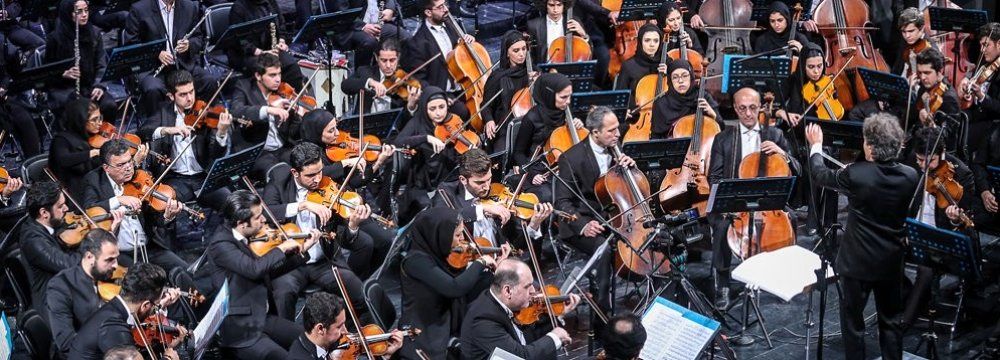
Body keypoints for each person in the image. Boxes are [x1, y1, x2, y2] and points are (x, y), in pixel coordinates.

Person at [804, 113, 918, 360]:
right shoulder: (910, 176)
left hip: (857, 263)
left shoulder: (856, 174)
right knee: (891, 322)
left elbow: (820, 174)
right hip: (890, 261)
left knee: (853, 323)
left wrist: (816, 145)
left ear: (870, 146)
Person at [263, 142, 377, 320]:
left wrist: (353, 226)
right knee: (283, 296)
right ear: (295, 173)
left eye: (320, 172)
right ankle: (289, 342)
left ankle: (354, 339)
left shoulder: (328, 186)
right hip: (292, 263)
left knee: (359, 294)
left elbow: (345, 239)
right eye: (310, 175)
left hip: (324, 262)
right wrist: (303, 205)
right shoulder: (278, 185)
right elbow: (266, 212)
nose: (317, 179)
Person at [707, 87, 798, 309]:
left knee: (792, 218)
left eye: (753, 108)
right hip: (736, 203)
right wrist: (730, 199)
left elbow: (798, 170)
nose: (748, 113)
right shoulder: (723, 138)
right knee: (721, 227)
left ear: (760, 108)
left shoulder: (775, 135)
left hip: (768, 202)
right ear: (735, 109)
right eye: (742, 108)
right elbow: (715, 177)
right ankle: (723, 283)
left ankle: (779, 275)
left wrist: (782, 154)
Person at [206, 190, 319, 359]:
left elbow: (267, 272)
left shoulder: (245, 236)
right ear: (242, 223)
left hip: (262, 315)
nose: (264, 220)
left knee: (310, 342)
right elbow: (254, 269)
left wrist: (302, 251)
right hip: (241, 328)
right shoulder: (221, 244)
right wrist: (280, 248)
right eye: (258, 217)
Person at [554, 106, 635, 317]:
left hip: (613, 217)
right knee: (604, 249)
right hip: (581, 223)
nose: (617, 134)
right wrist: (583, 225)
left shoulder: (617, 148)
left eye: (618, 128)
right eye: (611, 131)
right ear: (595, 132)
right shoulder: (571, 158)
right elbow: (562, 202)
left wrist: (632, 169)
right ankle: (602, 304)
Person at [397, 207, 505, 359]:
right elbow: (454, 288)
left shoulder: (436, 252)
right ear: (440, 235)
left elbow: (462, 280)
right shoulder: (416, 261)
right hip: (425, 330)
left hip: (445, 315)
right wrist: (480, 262)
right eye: (458, 235)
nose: (462, 239)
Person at [81, 140, 190, 278]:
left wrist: (167, 216)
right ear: (106, 168)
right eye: (121, 165)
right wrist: (118, 200)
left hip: (148, 247)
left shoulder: (139, 177)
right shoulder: (93, 180)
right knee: (147, 284)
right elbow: (89, 210)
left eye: (129, 161)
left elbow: (153, 218)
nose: (128, 168)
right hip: (120, 254)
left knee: (185, 272)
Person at [137, 70, 232, 212]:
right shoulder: (164, 112)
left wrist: (222, 132)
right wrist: (168, 130)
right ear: (171, 96)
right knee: (162, 206)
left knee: (232, 204)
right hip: (175, 179)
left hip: (204, 177)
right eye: (183, 94)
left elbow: (216, 153)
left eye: (191, 92)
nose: (189, 99)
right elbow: (143, 131)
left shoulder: (205, 112)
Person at [432, 148, 553, 251]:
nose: (486, 187)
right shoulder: (446, 192)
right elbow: (442, 220)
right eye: (479, 182)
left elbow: (517, 248)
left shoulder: (498, 193)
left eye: (488, 179)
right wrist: (482, 209)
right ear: (463, 179)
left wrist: (533, 225)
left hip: (500, 264)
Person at [459, 258, 580, 360]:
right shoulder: (483, 321)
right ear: (507, 291)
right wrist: (554, 338)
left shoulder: (499, 300)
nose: (533, 291)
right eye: (527, 286)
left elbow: (528, 335)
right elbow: (520, 356)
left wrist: (559, 313)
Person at [67, 262, 187, 360]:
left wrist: (168, 347)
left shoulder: (114, 309)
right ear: (145, 305)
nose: (155, 310)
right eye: (155, 305)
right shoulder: (114, 328)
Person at [123, 0, 217, 117]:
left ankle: (195, 122)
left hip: (182, 64)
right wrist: (156, 53)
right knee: (153, 89)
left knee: (209, 81)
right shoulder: (139, 9)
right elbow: (131, 46)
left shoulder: (190, 6)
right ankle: (159, 129)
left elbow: (198, 38)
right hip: (152, 68)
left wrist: (189, 45)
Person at [392, 86, 463, 223]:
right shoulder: (417, 123)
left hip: (451, 179)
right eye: (432, 109)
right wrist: (426, 138)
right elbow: (398, 142)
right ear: (425, 108)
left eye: (442, 107)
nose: (438, 113)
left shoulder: (453, 122)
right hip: (423, 184)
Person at [47, 229, 121, 359]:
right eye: (109, 260)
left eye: (116, 259)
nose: (116, 265)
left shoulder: (107, 276)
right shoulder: (61, 286)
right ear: (89, 257)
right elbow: (66, 342)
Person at [230, 53, 304, 181]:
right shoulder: (244, 87)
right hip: (259, 153)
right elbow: (236, 110)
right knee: (281, 174)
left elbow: (292, 133)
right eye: (272, 75)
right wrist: (268, 109)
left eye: (279, 74)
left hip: (282, 148)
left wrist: (297, 116)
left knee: (304, 165)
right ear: (258, 76)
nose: (278, 79)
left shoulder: (282, 93)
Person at [512, 73, 582, 204]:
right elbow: (518, 153)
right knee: (550, 196)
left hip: (563, 167)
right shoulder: (532, 118)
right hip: (538, 169)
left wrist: (578, 124)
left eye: (570, 96)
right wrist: (532, 174)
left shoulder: (566, 111)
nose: (568, 101)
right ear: (549, 95)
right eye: (563, 97)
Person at [400, 0, 476, 120]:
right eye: (440, 7)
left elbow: (461, 54)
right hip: (443, 93)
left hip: (465, 86)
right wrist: (439, 96)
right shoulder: (418, 43)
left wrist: (468, 41)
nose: (446, 9)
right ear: (428, 12)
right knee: (463, 111)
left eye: (445, 4)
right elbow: (420, 80)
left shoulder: (452, 26)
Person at [45, 0, 116, 119]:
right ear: (68, 13)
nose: (84, 15)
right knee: (82, 111)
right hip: (64, 89)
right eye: (79, 11)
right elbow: (46, 73)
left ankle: (105, 137)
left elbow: (101, 65)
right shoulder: (54, 38)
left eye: (86, 10)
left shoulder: (94, 33)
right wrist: (63, 74)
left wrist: (99, 86)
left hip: (90, 86)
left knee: (109, 105)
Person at [287, 291, 404, 360]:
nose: (345, 332)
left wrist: (386, 355)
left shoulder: (323, 341)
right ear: (320, 328)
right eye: (339, 326)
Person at [20, 181, 78, 313]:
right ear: (44, 213)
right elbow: (69, 264)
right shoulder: (33, 241)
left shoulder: (51, 223)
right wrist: (95, 247)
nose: (66, 209)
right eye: (61, 206)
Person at [226, 0, 305, 90]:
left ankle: (296, 99)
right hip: (246, 54)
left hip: (269, 49)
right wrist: (261, 52)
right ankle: (268, 100)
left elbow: (281, 24)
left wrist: (281, 41)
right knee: (268, 68)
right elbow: (240, 41)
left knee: (291, 65)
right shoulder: (238, 8)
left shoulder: (271, 2)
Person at [480, 30, 536, 154]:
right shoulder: (498, 76)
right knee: (501, 154)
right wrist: (489, 120)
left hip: (531, 126)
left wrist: (538, 83)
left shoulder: (533, 72)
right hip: (505, 128)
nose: (521, 54)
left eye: (523, 49)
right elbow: (485, 105)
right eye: (516, 51)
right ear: (507, 53)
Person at [341, 38, 420, 119]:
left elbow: (407, 119)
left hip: (394, 128)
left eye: (392, 60)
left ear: (398, 58)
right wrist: (370, 82)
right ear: (376, 57)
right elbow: (345, 85)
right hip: (366, 127)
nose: (388, 65)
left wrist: (411, 106)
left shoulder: (406, 79)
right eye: (384, 60)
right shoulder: (365, 72)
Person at [49, 98, 106, 200]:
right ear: (80, 120)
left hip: (94, 188)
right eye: (94, 119)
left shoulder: (92, 137)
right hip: (73, 194)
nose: (100, 123)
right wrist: (91, 153)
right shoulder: (61, 140)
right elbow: (63, 159)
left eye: (100, 117)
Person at [650, 59, 720, 139]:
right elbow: (655, 138)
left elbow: (721, 129)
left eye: (684, 76)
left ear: (691, 77)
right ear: (670, 80)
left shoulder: (703, 97)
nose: (680, 81)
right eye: (675, 77)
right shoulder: (660, 103)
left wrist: (712, 114)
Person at [960, 22, 1000, 155]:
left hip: (991, 121)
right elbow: (972, 75)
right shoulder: (986, 61)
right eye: (981, 45)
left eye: (986, 45)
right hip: (976, 113)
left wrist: (981, 96)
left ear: (998, 44)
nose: (982, 50)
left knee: (964, 139)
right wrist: (967, 84)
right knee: (952, 121)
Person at [524, 0, 589, 64]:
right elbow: (530, 54)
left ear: (564, 5)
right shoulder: (533, 25)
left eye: (559, 5)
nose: (555, 9)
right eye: (551, 5)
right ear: (545, 5)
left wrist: (583, 34)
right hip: (545, 70)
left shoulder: (574, 21)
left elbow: (587, 50)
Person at [615, 24, 665, 94]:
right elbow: (620, 97)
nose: (652, 44)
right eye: (647, 40)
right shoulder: (628, 66)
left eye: (656, 41)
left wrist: (668, 75)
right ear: (640, 42)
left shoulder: (666, 63)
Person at [890, 8, 929, 78]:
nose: (907, 36)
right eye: (903, 32)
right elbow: (896, 69)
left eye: (911, 31)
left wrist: (913, 65)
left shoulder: (930, 49)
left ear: (922, 28)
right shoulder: (904, 42)